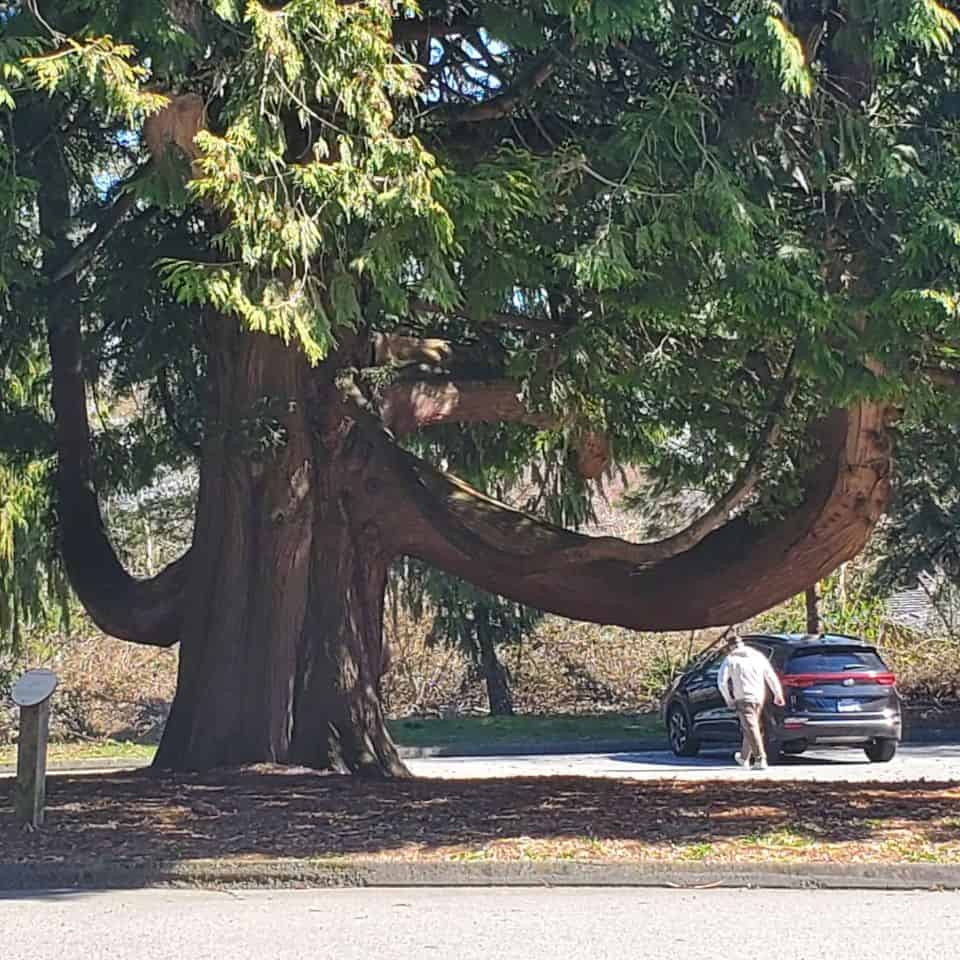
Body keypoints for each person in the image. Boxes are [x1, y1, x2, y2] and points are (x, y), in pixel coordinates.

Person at [717, 633, 785, 770]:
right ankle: (743, 758)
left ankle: (760, 759)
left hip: (743, 697)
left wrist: (729, 699)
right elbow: (770, 676)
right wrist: (778, 694)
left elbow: (721, 682)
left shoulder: (730, 659)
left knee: (750, 727)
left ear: (730, 647)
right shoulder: (758, 656)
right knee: (750, 726)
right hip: (759, 696)